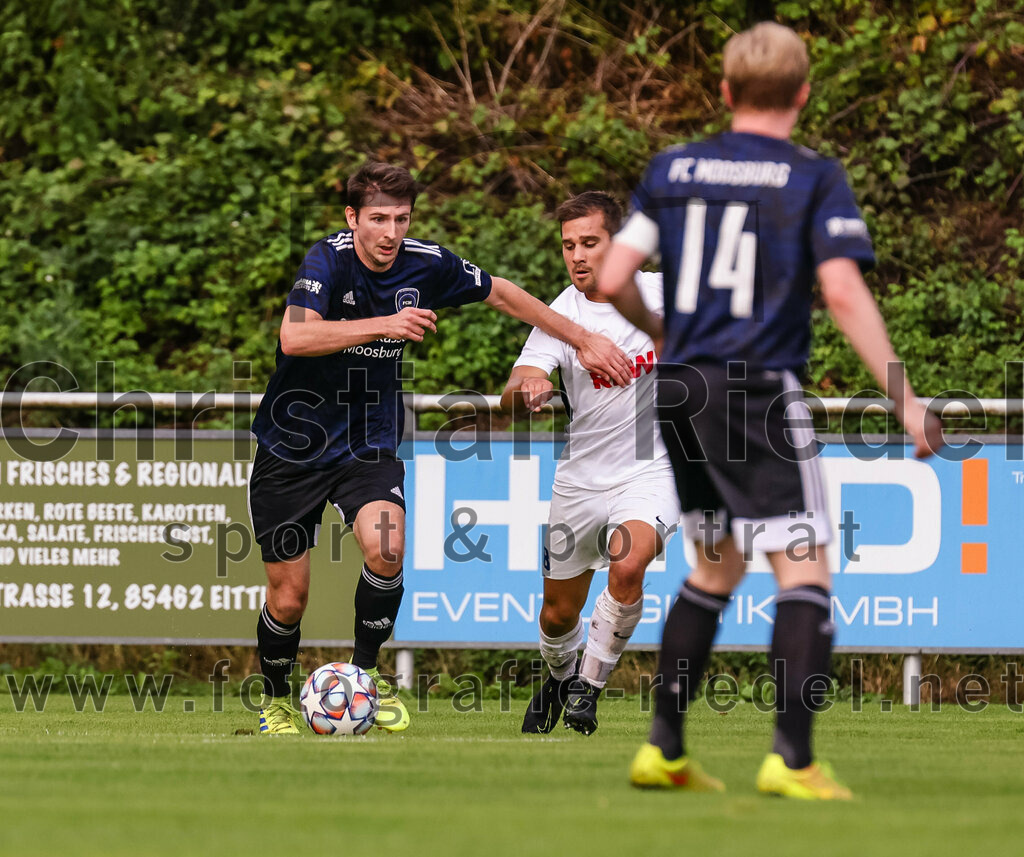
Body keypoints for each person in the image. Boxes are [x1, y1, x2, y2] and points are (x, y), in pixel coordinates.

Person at [598, 22, 944, 797]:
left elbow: (616, 273)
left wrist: (665, 330)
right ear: (803, 94)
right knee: (804, 564)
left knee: (716, 564)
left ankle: (663, 747)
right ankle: (791, 758)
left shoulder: (673, 167)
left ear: (724, 92)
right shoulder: (812, 175)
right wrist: (907, 401)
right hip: (758, 386)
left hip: (682, 387)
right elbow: (845, 290)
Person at [248, 162, 633, 735]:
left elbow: (501, 294)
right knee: (289, 596)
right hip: (293, 444)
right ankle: (277, 700)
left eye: (400, 218)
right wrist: (385, 324)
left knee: (387, 548)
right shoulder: (325, 260)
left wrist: (581, 337)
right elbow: (295, 337)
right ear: (352, 218)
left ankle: (365, 679)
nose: (390, 232)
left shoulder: (426, 263)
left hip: (366, 444)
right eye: (377, 218)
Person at [500, 191, 680, 736]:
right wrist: (528, 388)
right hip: (580, 480)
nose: (577, 256)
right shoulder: (561, 315)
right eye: (568, 246)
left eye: (590, 243)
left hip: (652, 470)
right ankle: (559, 676)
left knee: (628, 564)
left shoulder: (663, 296)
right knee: (557, 615)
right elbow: (514, 389)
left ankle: (587, 689)